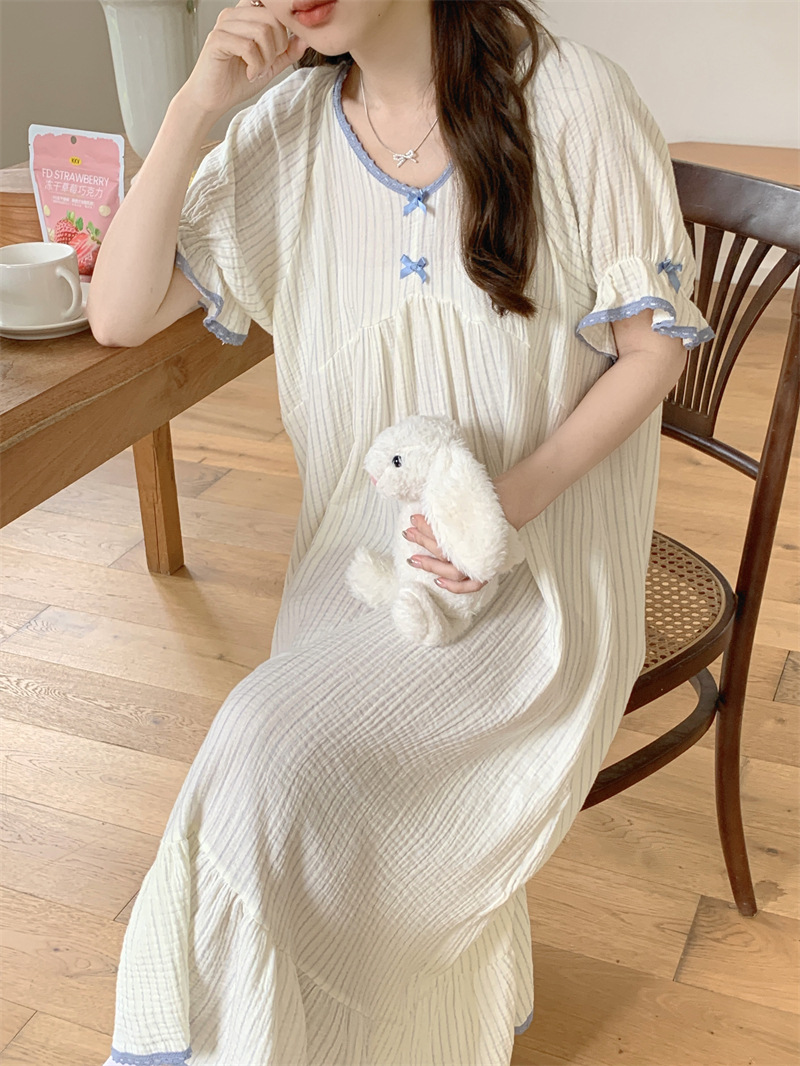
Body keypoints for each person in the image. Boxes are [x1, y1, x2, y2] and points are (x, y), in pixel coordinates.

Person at [89, 1, 713, 1063]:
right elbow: (118, 312)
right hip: (353, 568)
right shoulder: (281, 135)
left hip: (534, 575)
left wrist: (498, 510)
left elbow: (652, 355)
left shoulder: (571, 99)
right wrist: (195, 107)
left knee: (262, 747)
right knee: (285, 767)